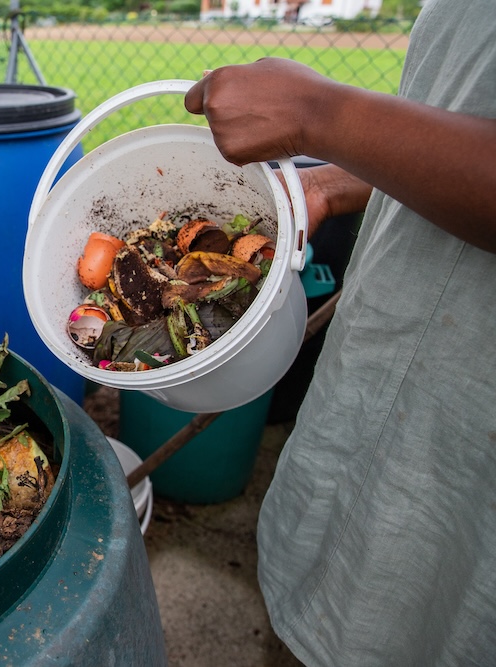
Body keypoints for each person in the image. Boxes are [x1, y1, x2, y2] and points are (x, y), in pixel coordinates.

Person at [183, 1, 496, 665]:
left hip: (471, 430)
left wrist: (321, 115)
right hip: (389, 374)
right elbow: (467, 109)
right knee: (328, 602)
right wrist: (337, 177)